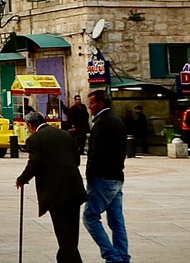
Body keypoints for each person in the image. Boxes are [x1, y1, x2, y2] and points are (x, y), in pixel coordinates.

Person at [15, 109, 87, 263]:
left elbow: (34, 163)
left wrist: (22, 179)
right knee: (72, 230)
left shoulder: (35, 139)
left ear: (30, 125)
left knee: (63, 232)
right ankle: (63, 259)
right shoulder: (64, 134)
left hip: (55, 191)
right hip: (74, 187)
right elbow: (76, 159)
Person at [83, 90, 129, 263]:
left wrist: (90, 176)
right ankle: (123, 257)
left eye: (92, 103)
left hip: (102, 178)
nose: (90, 107)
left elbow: (96, 154)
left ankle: (112, 256)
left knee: (90, 217)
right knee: (117, 221)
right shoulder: (117, 121)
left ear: (101, 104)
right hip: (117, 177)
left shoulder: (102, 123)